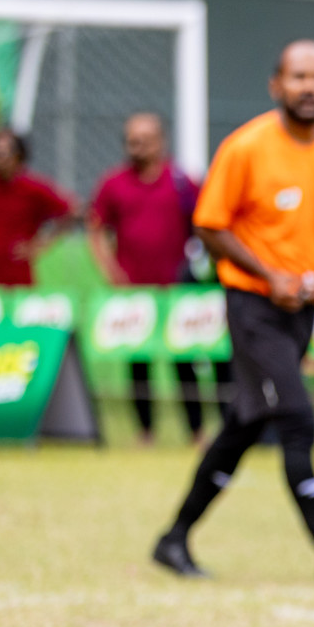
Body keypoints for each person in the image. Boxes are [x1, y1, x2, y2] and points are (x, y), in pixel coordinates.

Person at [150, 40, 314, 584]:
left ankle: (172, 540)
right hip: (253, 306)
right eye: (299, 76)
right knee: (297, 418)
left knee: (244, 422)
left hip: (302, 311)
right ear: (276, 84)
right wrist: (269, 276)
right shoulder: (246, 147)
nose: (310, 86)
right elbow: (210, 226)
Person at [89, 112, 230, 445]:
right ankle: (145, 432)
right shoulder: (113, 183)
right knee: (137, 362)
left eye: (145, 140)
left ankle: (196, 431)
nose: (138, 147)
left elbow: (208, 225)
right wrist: (110, 270)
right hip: (133, 290)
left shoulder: (181, 181)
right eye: (132, 141)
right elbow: (95, 229)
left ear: (161, 141)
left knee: (186, 360)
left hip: (178, 289)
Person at [0, 128, 74, 286]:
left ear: (17, 156)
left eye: (3, 154)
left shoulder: (33, 187)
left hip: (18, 272)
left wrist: (40, 244)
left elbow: (69, 210)